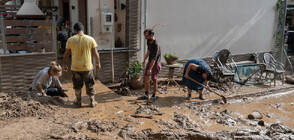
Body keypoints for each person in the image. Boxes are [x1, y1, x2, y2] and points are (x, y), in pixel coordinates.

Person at [62, 22, 101, 107]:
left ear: (75, 30)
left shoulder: (70, 40)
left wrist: (64, 64)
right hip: (87, 67)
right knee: (90, 84)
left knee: (77, 85)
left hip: (75, 68)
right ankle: (92, 101)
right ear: (83, 30)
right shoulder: (90, 39)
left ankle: (78, 101)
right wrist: (98, 62)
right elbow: (95, 53)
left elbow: (66, 54)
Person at [137, 29, 161, 101]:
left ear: (151, 35)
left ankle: (154, 95)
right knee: (146, 77)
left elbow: (154, 58)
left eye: (146, 36)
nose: (145, 37)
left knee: (154, 79)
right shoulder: (148, 41)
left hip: (155, 63)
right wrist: (144, 59)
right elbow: (148, 51)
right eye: (144, 36)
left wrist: (150, 69)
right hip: (150, 62)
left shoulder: (156, 45)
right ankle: (146, 94)